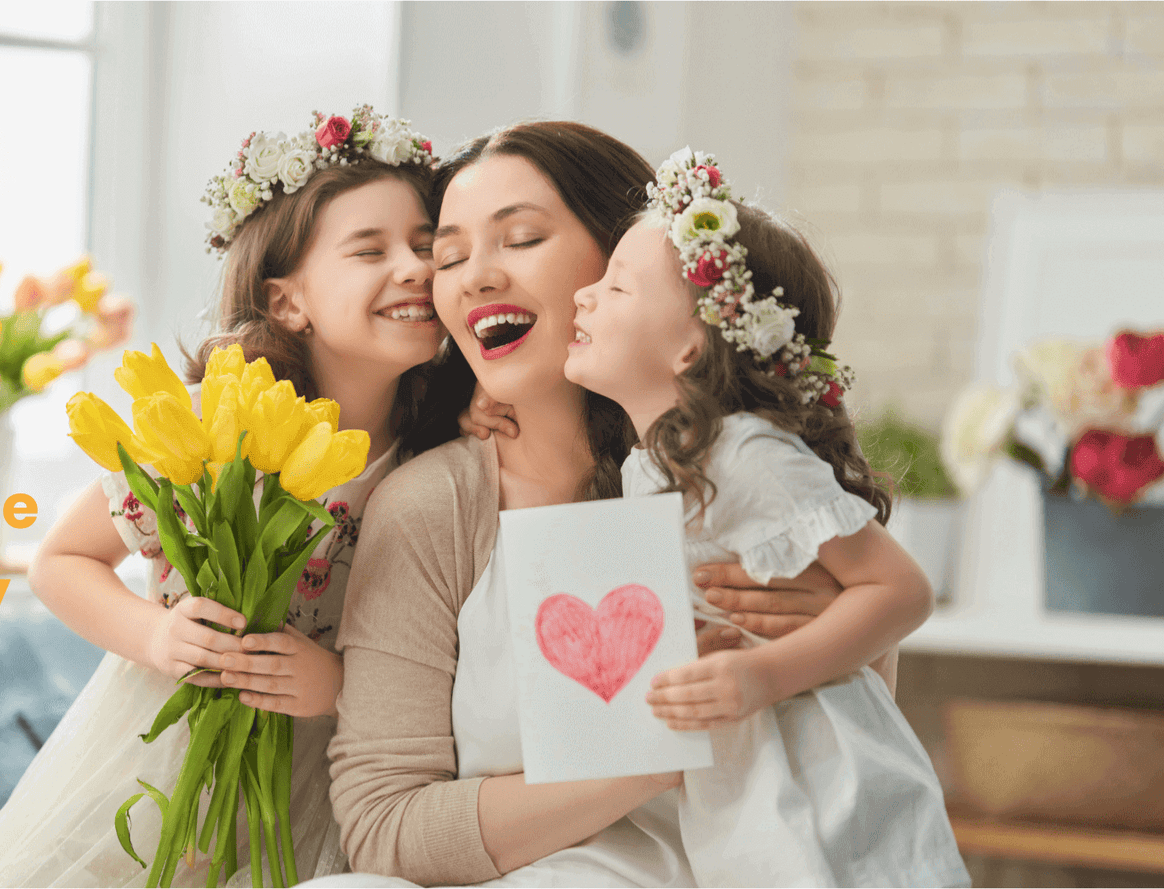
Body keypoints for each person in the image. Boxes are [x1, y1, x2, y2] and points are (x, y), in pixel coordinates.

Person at [315, 122, 884, 888]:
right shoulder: (432, 506)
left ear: (626, 258)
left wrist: (816, 646)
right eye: (448, 257)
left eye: (519, 238)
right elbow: (384, 829)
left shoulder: (739, 477)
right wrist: (658, 754)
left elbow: (862, 735)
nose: (473, 276)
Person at [0, 105, 447, 887]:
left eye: (426, 245)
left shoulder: (441, 463)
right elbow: (60, 560)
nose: (415, 267)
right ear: (288, 303)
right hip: (163, 765)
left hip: (321, 786)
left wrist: (342, 685)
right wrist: (155, 637)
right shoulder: (216, 427)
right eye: (369, 249)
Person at [565, 148, 967, 886]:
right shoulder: (645, 467)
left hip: (832, 788)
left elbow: (901, 590)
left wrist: (761, 675)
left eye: (616, 286)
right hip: (744, 791)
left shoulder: (743, 450)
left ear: (692, 343)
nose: (583, 297)